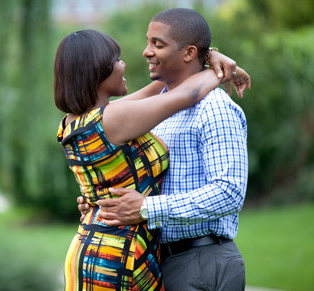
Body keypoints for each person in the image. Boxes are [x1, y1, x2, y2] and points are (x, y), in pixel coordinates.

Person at [55, 28, 250, 290]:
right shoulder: (113, 119)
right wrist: (216, 64)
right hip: (115, 254)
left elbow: (165, 84)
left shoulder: (79, 122)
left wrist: (208, 55)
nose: (124, 64)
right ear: (98, 71)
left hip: (101, 243)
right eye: (117, 60)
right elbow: (188, 93)